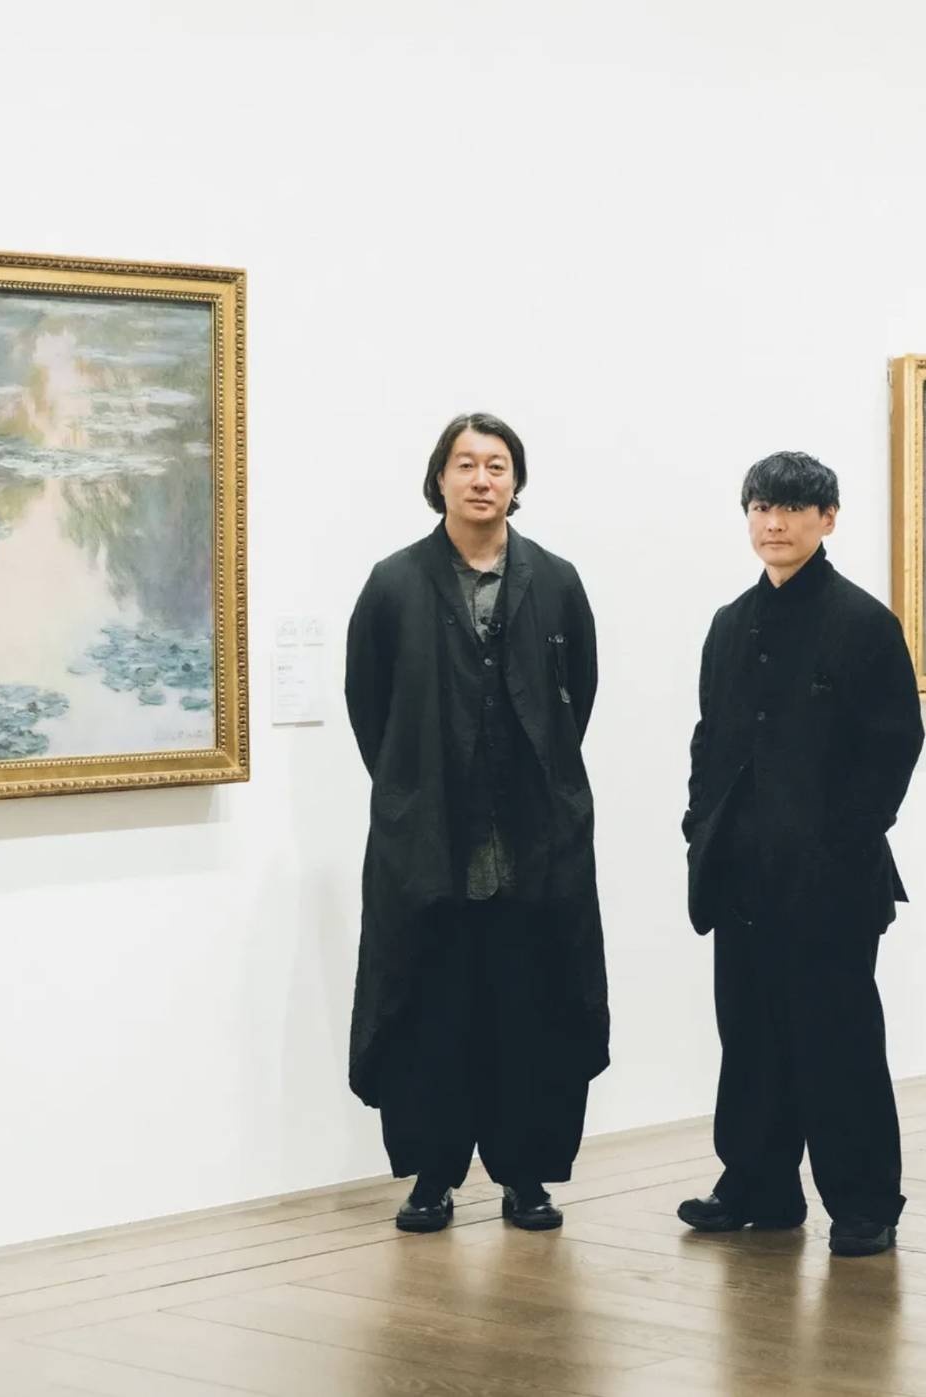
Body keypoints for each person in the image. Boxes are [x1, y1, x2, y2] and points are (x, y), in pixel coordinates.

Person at [345, 412, 609, 1234]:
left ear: (516, 482)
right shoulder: (393, 583)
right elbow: (369, 707)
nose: (482, 478)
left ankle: (526, 1178)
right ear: (440, 478)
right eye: (466, 463)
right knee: (433, 1016)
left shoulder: (556, 581)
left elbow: (578, 695)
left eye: (497, 464)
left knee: (530, 1013)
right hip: (431, 849)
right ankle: (432, 1176)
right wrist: (411, 791)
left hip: (534, 849)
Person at [678, 450, 924, 1257]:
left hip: (831, 880)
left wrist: (838, 844)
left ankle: (863, 1202)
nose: (774, 523)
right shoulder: (728, 623)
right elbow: (711, 739)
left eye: (791, 508)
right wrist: (700, 826)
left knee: (837, 1041)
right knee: (749, 1038)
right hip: (740, 873)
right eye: (761, 507)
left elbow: (894, 747)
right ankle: (758, 1187)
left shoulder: (863, 623)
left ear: (828, 518)